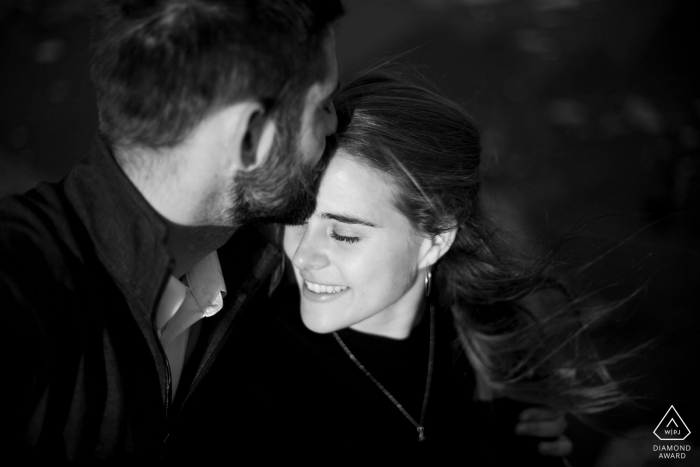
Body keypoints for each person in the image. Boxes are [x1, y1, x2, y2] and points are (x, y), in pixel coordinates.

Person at [165, 73, 618, 463]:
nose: (303, 256)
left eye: (344, 234)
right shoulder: (251, 379)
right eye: (295, 219)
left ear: (435, 238)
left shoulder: (494, 339)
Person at [0, 0, 344, 460]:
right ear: (250, 139)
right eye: (321, 105)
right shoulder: (23, 284)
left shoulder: (258, 263)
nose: (335, 122)